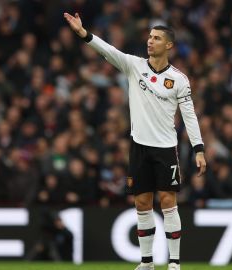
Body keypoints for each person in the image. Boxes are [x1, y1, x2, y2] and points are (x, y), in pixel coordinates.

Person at [64, 13, 207, 270]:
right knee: (141, 203)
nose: (150, 41)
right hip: (139, 146)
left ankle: (174, 262)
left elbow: (190, 116)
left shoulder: (179, 80)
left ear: (169, 45)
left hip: (165, 148)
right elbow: (107, 50)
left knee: (167, 201)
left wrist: (199, 148)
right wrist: (83, 34)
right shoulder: (133, 65)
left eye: (157, 38)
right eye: (150, 37)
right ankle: (147, 262)